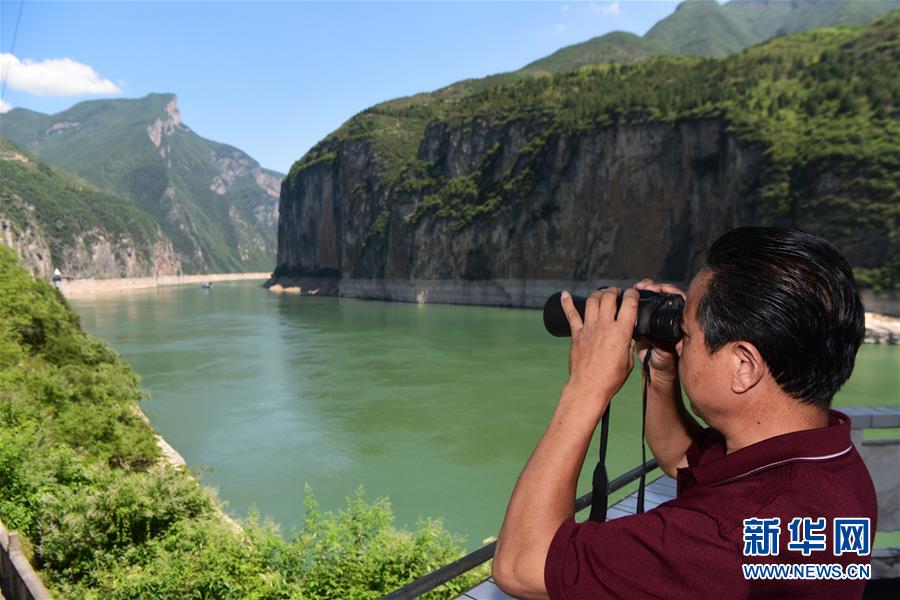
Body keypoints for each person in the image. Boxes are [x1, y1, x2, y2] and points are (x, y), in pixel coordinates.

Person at [493, 227, 876, 599]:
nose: (679, 344)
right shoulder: (832, 462)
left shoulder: (721, 534)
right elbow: (679, 457)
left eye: (687, 335)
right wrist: (661, 374)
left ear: (744, 365)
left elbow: (521, 565)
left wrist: (587, 386)